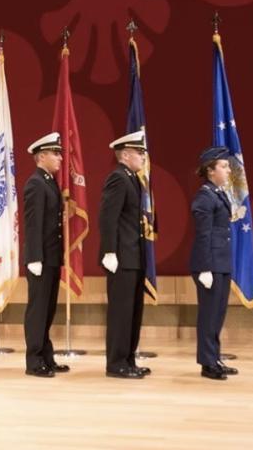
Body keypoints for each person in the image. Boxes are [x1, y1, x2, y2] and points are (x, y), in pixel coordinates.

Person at [99, 132, 151, 379]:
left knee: (133, 311)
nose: (143, 156)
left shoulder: (132, 179)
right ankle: (116, 363)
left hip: (134, 256)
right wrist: (109, 251)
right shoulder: (118, 178)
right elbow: (108, 217)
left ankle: (129, 358)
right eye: (139, 153)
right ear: (126, 155)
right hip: (121, 256)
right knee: (121, 312)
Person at [189, 146, 239, 380]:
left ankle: (215, 358)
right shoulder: (205, 196)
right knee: (209, 315)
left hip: (221, 262)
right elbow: (203, 235)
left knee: (217, 314)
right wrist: (205, 267)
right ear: (211, 171)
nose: (229, 170)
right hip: (210, 263)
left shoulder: (217, 194)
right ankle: (208, 363)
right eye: (224, 166)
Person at [22, 132, 69, 378]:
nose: (60, 157)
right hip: (40, 258)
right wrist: (34, 257)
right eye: (55, 153)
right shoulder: (36, 184)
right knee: (38, 310)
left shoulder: (49, 182)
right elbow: (33, 224)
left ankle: (46, 357)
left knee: (48, 309)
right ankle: (34, 360)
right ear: (41, 157)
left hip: (51, 256)